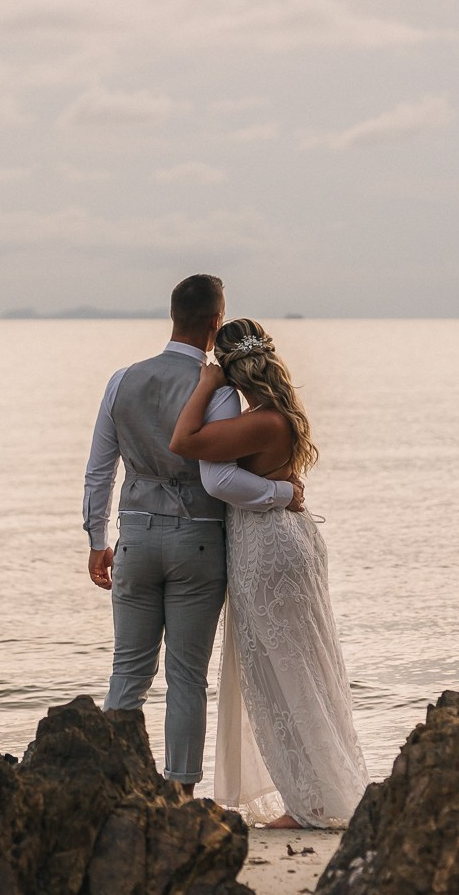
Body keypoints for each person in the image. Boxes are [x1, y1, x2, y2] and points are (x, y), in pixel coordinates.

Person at [83, 274, 307, 792]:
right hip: (199, 542)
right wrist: (281, 493)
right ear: (215, 322)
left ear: (172, 315)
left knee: (128, 671)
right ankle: (180, 794)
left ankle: (111, 785)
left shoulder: (121, 380)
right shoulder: (220, 392)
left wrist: (96, 540)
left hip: (136, 537)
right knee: (186, 675)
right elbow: (219, 477)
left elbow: (99, 470)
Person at [171, 317, 368, 828]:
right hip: (280, 539)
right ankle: (310, 795)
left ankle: (313, 804)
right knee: (288, 669)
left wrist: (206, 385)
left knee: (288, 672)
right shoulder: (277, 414)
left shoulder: (262, 421)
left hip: (270, 547)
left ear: (232, 368)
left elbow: (184, 440)